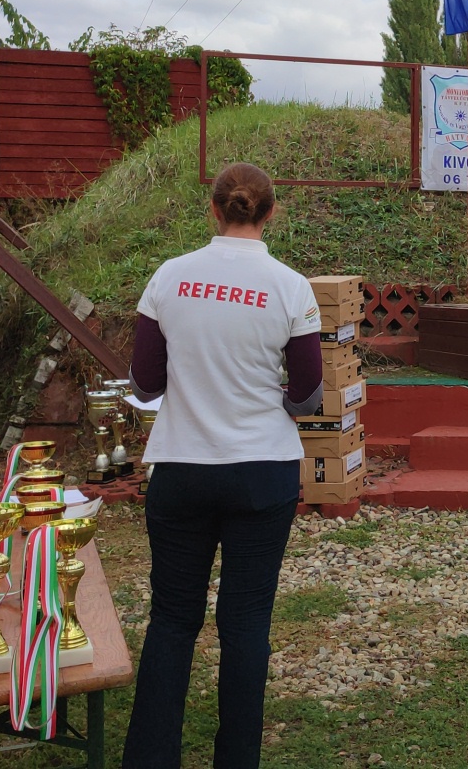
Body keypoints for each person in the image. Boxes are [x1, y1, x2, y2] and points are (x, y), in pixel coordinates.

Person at [123, 163, 324, 769]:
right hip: (263, 470)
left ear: (213, 210)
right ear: (271, 213)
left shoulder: (168, 276)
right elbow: (308, 393)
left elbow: (145, 383)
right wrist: (273, 400)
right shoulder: (291, 287)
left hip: (182, 468)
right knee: (246, 623)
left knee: (171, 619)